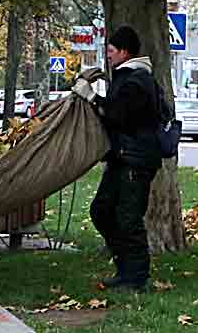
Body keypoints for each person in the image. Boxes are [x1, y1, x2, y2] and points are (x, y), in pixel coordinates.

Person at [71, 25, 162, 292]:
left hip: (135, 160)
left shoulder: (136, 80)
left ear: (124, 51)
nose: (108, 55)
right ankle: (125, 269)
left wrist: (91, 97)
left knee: (128, 218)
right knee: (102, 211)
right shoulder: (128, 77)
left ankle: (136, 278)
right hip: (122, 158)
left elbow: (118, 115)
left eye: (111, 51)